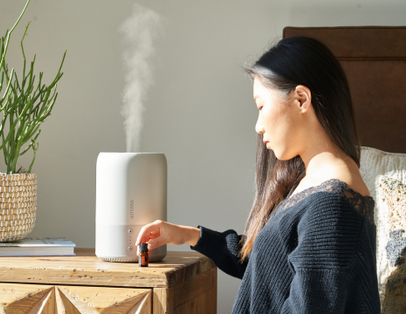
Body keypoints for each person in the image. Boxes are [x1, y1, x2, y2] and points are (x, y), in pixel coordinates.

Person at [136, 36, 381, 313]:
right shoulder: (318, 186)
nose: (258, 126)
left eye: (261, 106)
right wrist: (189, 235)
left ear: (301, 99)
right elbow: (269, 269)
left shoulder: (331, 206)